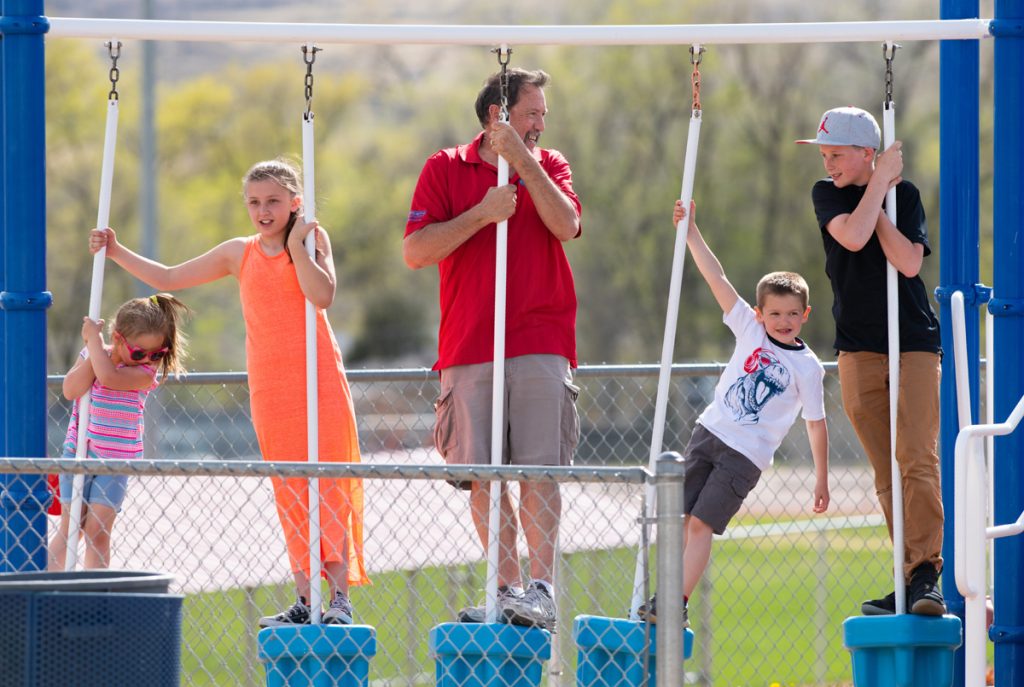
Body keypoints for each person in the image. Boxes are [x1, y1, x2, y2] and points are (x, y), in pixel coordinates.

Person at [89, 159, 368, 626]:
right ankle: (306, 598)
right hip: (271, 387)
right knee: (291, 488)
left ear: (295, 203)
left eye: (274, 201)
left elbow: (322, 296)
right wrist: (116, 251)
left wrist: (298, 247)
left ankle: (338, 599)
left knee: (329, 484)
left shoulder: (313, 240)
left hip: (318, 380)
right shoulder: (239, 253)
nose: (263, 210)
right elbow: (169, 278)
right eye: (255, 202)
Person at [403, 67, 582, 631]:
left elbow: (567, 224)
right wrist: (482, 213)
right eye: (531, 114)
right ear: (496, 115)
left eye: (543, 116)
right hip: (469, 341)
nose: (540, 124)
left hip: (540, 336)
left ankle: (543, 590)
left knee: (538, 471)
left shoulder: (549, 165)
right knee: (480, 475)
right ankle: (507, 591)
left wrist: (524, 161)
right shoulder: (443, 168)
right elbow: (415, 250)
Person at [638, 200, 830, 626]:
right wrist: (690, 233)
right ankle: (661, 599)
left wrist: (821, 478)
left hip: (745, 456)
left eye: (792, 315)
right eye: (775, 313)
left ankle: (674, 604)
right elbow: (716, 276)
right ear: (760, 313)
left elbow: (815, 424)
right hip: (708, 434)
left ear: (805, 315)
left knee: (702, 526)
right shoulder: (748, 326)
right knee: (683, 521)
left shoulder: (808, 368)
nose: (783, 321)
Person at [796, 106, 946, 615]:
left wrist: (882, 192)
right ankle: (908, 575)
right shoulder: (827, 195)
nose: (828, 162)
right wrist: (876, 182)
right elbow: (853, 237)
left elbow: (906, 262)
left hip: (914, 343)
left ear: (866, 152)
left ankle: (927, 572)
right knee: (885, 469)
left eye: (837, 153)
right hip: (857, 347)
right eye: (823, 154)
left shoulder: (905, 197)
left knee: (917, 459)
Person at [49, 293, 189, 570]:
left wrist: (97, 347)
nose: (146, 359)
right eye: (139, 352)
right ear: (117, 337)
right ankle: (47, 586)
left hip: (116, 460)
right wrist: (94, 349)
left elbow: (110, 378)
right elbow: (70, 390)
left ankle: (95, 596)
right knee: (72, 526)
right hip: (79, 451)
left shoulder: (145, 373)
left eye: (156, 353)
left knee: (97, 532)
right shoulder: (95, 355)